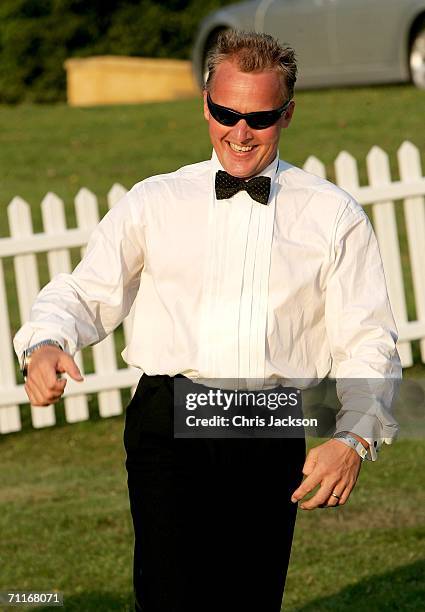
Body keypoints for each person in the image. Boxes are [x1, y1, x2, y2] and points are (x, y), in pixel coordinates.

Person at [14, 30, 401, 612]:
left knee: (249, 598)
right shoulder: (155, 201)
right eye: (225, 112)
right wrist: (45, 342)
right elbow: (85, 292)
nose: (239, 133)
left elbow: (367, 337)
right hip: (168, 420)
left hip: (268, 423)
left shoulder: (332, 215)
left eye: (260, 117)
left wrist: (353, 436)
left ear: (288, 113)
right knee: (170, 595)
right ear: (205, 103)